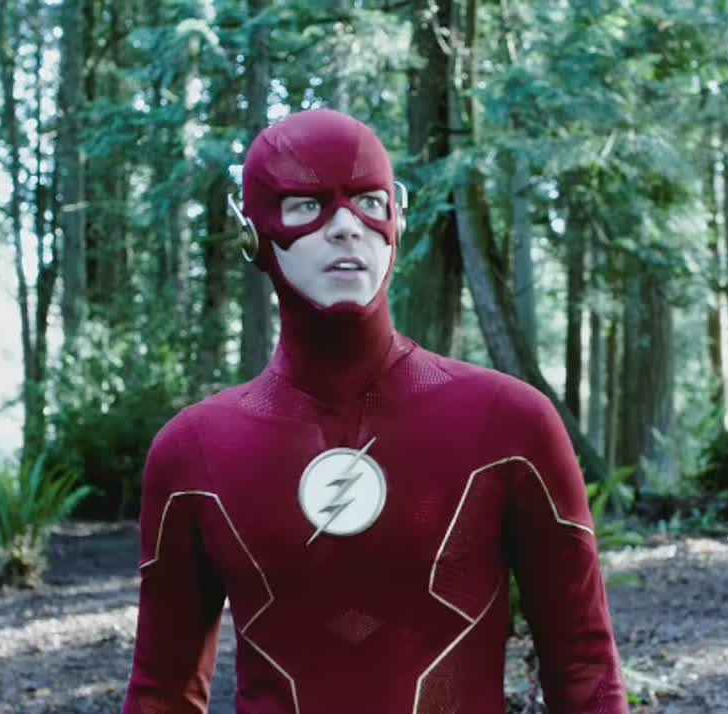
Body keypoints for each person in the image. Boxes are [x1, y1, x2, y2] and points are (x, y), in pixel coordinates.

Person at [122, 109, 627, 714]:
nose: (346, 227)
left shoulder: (510, 424)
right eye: (307, 206)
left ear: (397, 220)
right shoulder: (194, 451)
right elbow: (162, 693)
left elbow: (585, 666)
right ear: (252, 234)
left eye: (368, 202)